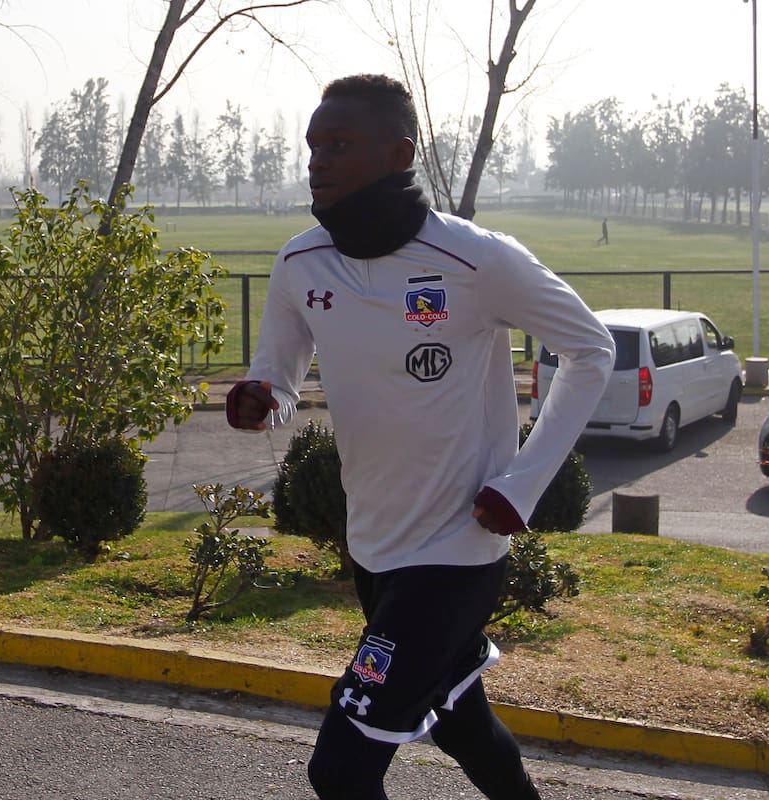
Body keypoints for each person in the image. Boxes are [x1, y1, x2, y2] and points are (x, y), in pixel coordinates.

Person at [225, 74, 614, 800]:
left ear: (399, 154)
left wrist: (522, 484)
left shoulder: (477, 258)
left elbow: (592, 349)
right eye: (313, 145)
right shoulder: (301, 262)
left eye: (339, 144)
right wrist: (262, 399)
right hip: (374, 545)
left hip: (457, 550)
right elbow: (277, 379)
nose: (318, 160)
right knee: (463, 724)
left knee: (341, 768)